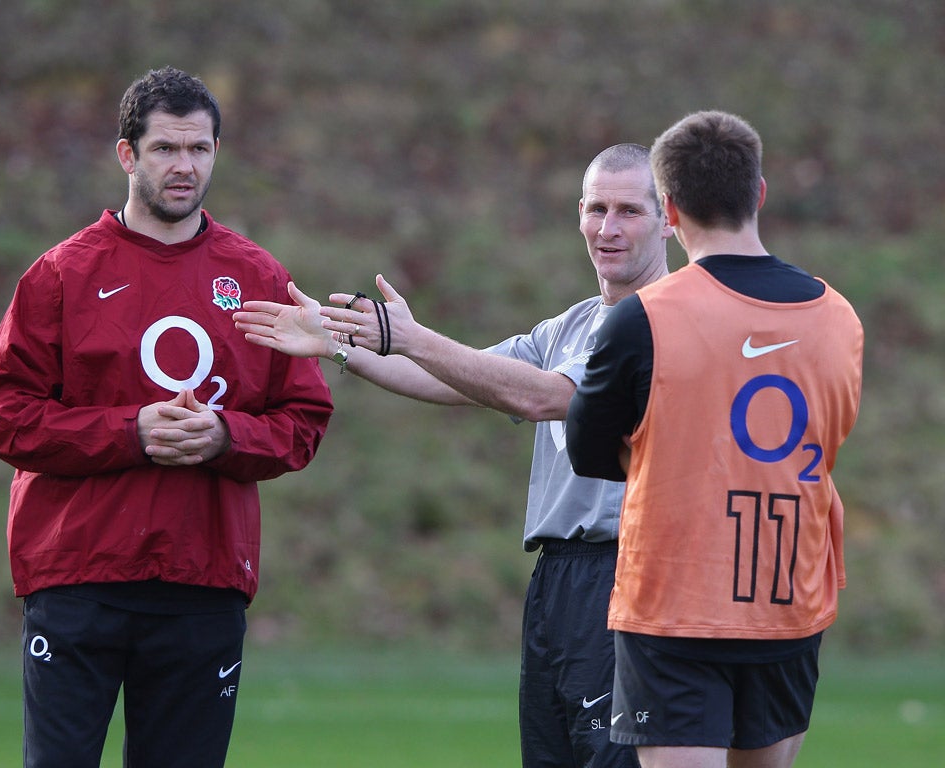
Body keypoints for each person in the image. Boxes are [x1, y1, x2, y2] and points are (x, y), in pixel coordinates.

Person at [233, 143, 672, 768]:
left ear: (668, 220)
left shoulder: (665, 319)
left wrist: (412, 337)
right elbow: (458, 378)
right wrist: (338, 344)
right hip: (558, 579)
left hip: (625, 572)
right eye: (596, 208)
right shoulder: (570, 325)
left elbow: (548, 396)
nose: (608, 227)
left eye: (629, 210)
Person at [0, 66, 334, 768]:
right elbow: (6, 416)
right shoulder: (60, 275)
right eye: (167, 149)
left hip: (202, 581)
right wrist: (129, 431)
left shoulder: (258, 277)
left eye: (199, 149)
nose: (185, 166)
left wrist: (227, 436)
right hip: (77, 577)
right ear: (126, 154)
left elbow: (302, 419)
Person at [565, 111, 864, 768]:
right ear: (759, 192)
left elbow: (588, 452)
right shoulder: (839, 318)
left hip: (676, 603)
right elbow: (830, 437)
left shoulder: (642, 318)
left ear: (668, 210)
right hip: (789, 597)